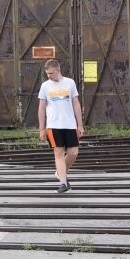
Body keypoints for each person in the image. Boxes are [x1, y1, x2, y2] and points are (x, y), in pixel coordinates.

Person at [38, 59, 84, 194]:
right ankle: (64, 183)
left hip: (70, 124)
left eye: (51, 73)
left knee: (73, 153)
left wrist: (79, 125)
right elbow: (41, 108)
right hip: (53, 125)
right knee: (58, 153)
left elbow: (76, 103)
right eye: (47, 74)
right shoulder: (45, 86)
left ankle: (60, 172)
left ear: (58, 70)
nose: (49, 76)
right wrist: (42, 128)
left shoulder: (70, 83)